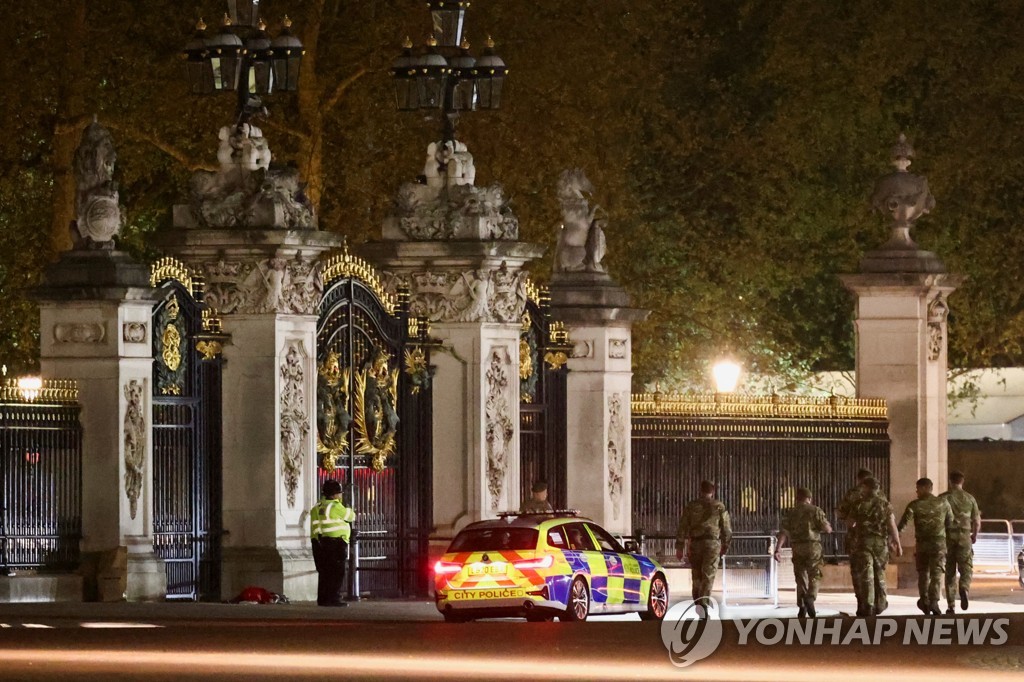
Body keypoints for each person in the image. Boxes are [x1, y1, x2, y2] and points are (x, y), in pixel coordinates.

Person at [897, 478, 953, 615]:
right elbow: (950, 522)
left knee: (923, 573)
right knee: (936, 574)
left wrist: (895, 537)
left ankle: (924, 600)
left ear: (923, 488)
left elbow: (903, 523)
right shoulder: (943, 503)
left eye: (918, 488)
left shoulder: (914, 505)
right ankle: (934, 601)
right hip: (939, 544)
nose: (916, 491)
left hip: (922, 545)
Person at [774, 488, 832, 618]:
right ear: (809, 498)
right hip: (812, 547)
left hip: (797, 547)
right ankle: (810, 597)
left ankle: (802, 607)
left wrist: (778, 549)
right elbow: (827, 529)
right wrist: (826, 526)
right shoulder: (815, 510)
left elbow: (784, 532)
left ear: (796, 499)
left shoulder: (791, 513)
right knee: (815, 575)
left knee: (801, 578)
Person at [848, 476, 902, 617]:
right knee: (880, 573)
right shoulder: (885, 504)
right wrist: (898, 544)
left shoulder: (858, 504)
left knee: (867, 574)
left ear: (866, 487)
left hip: (864, 543)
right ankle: (881, 602)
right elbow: (892, 525)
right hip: (880, 544)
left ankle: (869, 604)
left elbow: (850, 523)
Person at [676, 480, 732, 602]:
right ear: (713, 491)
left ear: (700, 490)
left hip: (695, 544)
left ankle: (697, 601)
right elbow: (727, 529)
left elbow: (682, 526)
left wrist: (679, 547)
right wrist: (725, 545)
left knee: (696, 575)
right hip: (712, 545)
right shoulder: (719, 506)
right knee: (708, 576)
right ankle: (703, 604)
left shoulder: (691, 506)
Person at [309, 479, 356, 607]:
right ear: (334, 494)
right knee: (337, 572)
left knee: (324, 573)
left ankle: (323, 598)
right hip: (336, 543)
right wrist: (349, 507)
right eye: (339, 493)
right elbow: (352, 516)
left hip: (320, 542)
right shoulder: (335, 506)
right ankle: (333, 598)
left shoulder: (317, 508)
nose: (341, 496)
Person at [940, 470, 981, 614]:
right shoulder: (970, 499)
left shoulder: (943, 498)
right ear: (962, 482)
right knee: (966, 567)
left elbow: (938, 520)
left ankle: (951, 605)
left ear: (950, 481)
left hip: (948, 538)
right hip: (964, 538)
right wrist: (974, 536)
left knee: (949, 571)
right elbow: (976, 521)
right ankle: (964, 587)